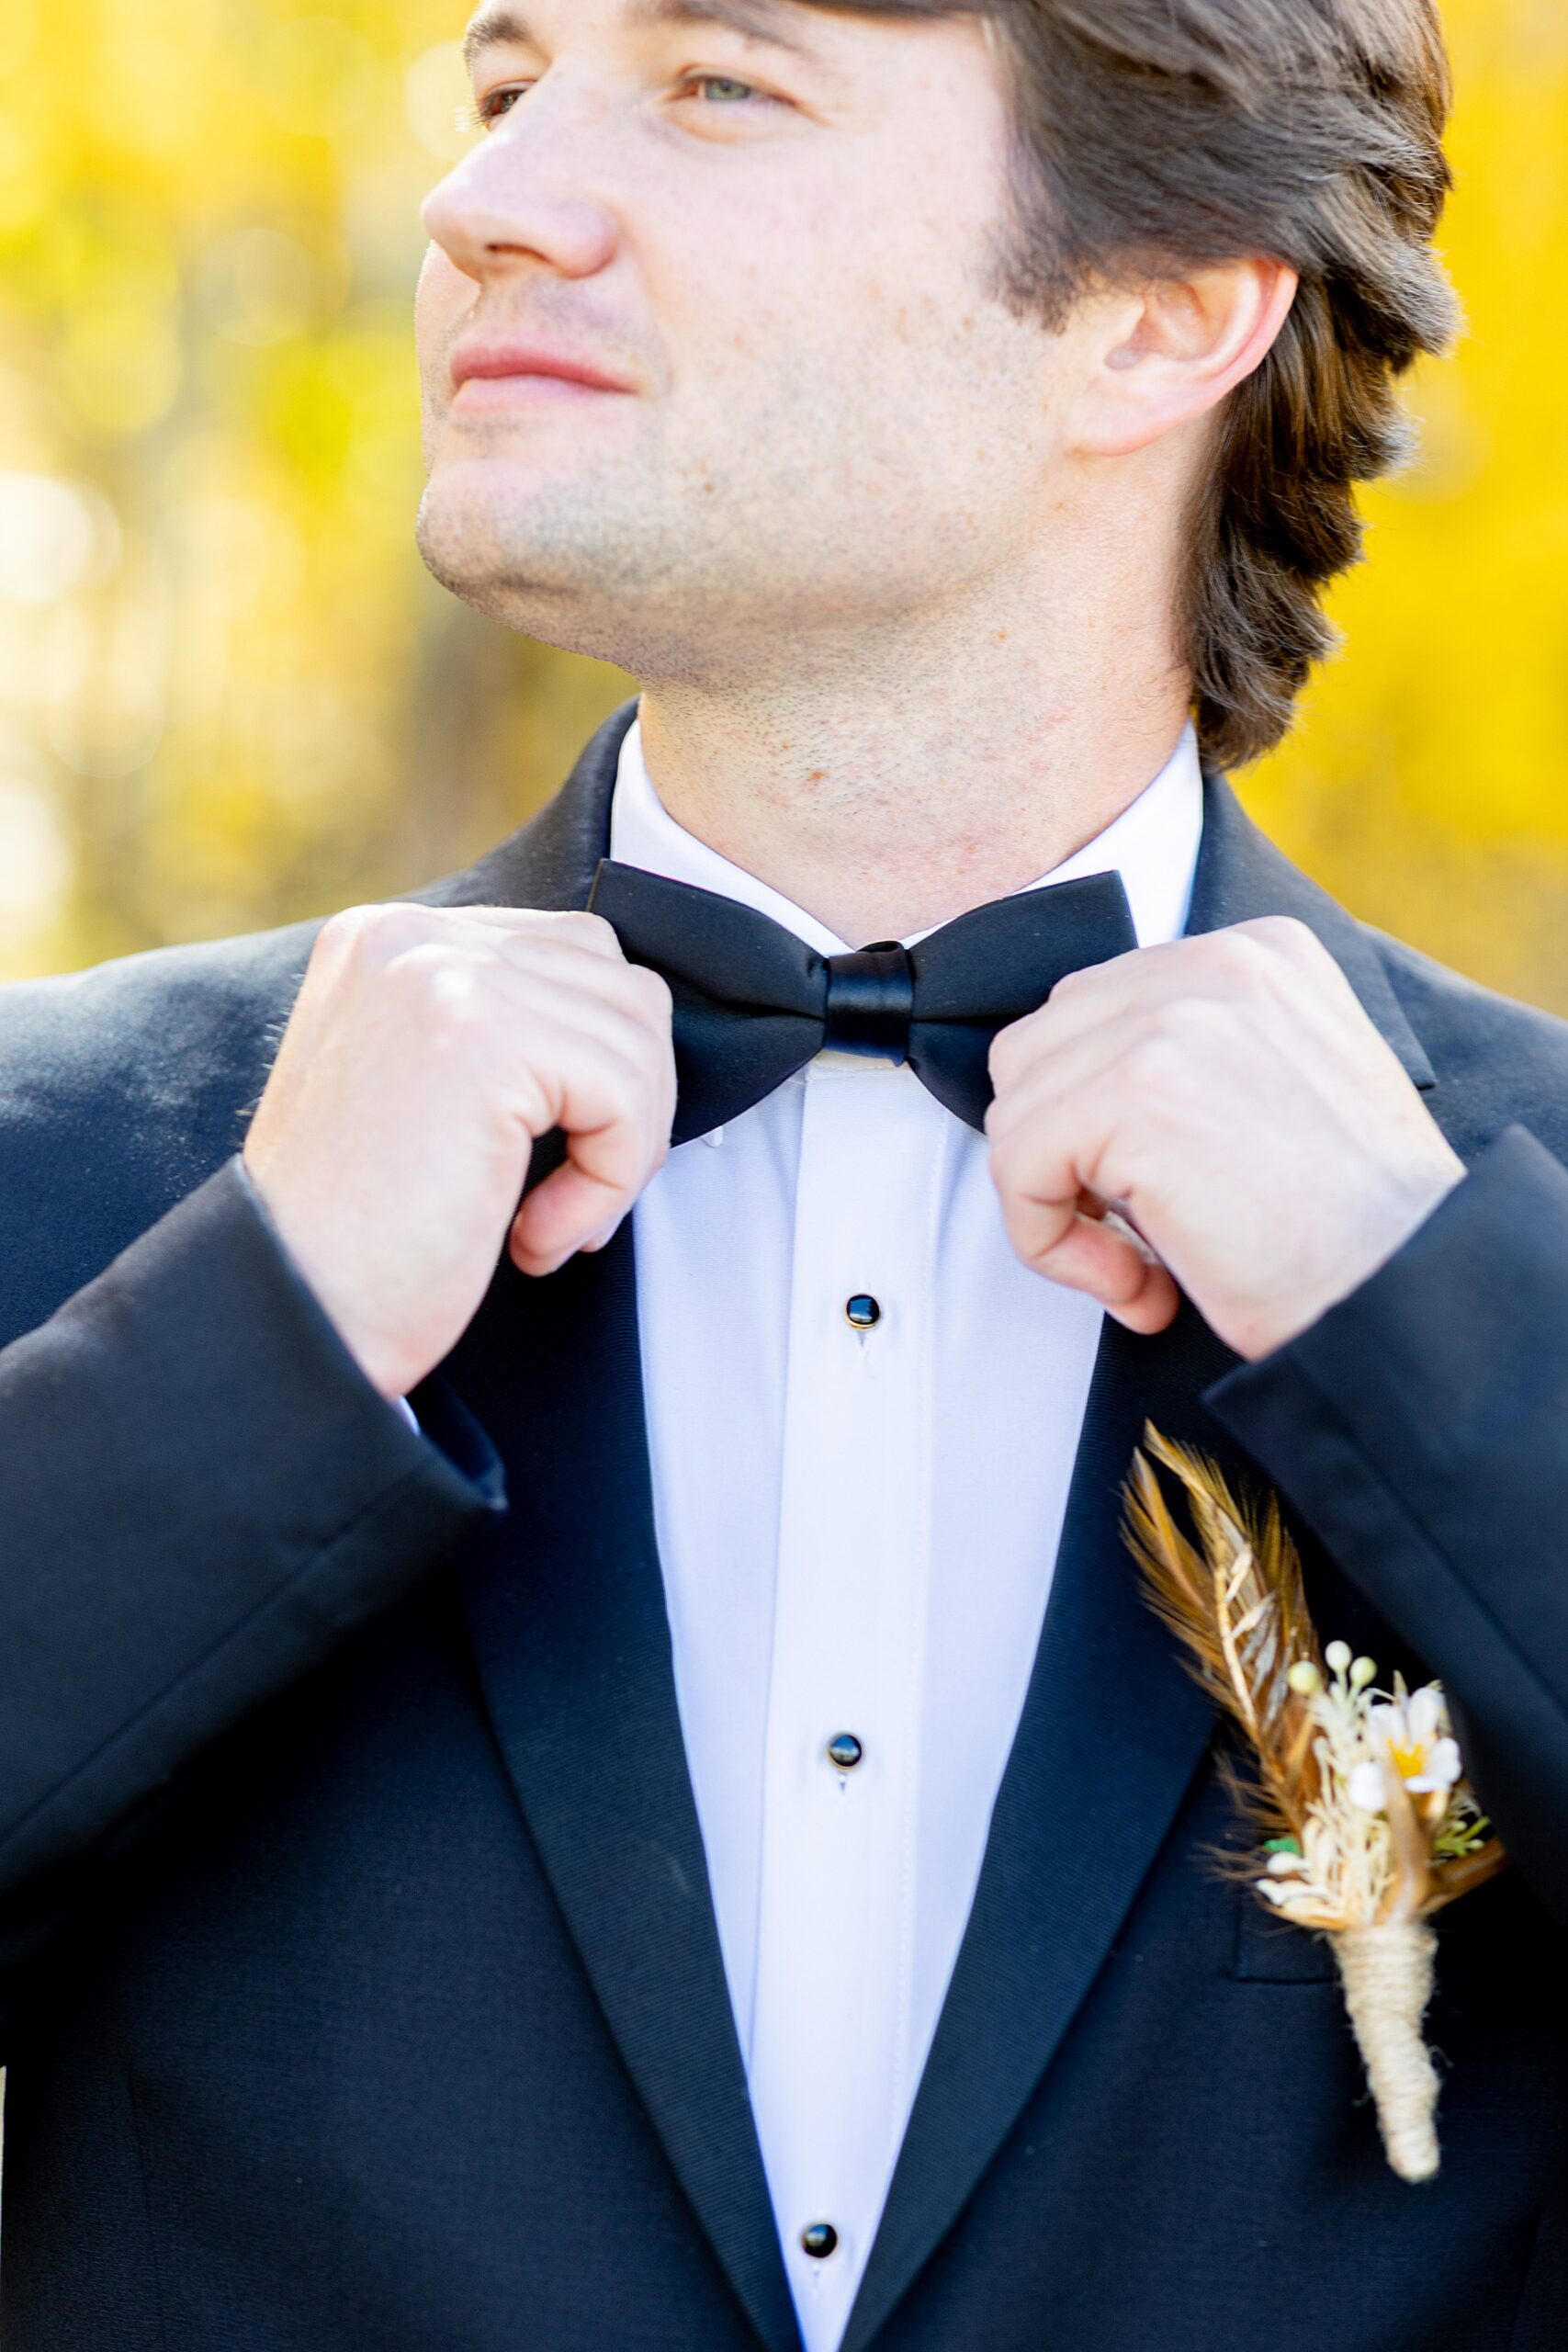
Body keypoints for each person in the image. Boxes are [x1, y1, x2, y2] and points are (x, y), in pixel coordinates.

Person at [2, 0, 1565, 2345]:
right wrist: (248, 1352)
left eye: (717, 83)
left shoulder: (1505, 1232)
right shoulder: (77, 1159)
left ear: (1156, 310)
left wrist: (1443, 1355)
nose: (481, 197)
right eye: (507, 86)